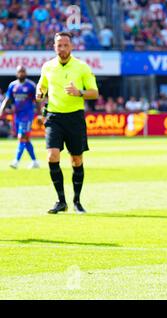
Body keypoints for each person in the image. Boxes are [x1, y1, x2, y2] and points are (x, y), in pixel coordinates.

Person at [36, 32, 99, 214]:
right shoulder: (48, 67)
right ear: (54, 47)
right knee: (52, 156)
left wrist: (79, 92)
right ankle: (60, 201)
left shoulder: (82, 67)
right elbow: (41, 87)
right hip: (54, 117)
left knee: (76, 159)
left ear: (71, 47)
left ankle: (77, 201)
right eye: (59, 45)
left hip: (74, 118)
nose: (62, 48)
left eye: (65, 45)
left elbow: (94, 92)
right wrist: (39, 94)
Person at [0, 65, 40, 169]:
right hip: (17, 116)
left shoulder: (31, 85)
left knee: (21, 138)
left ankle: (16, 161)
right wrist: (1, 110)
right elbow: (8, 99)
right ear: (16, 73)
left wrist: (40, 114)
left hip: (27, 116)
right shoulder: (13, 85)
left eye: (23, 71)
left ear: (26, 73)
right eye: (19, 72)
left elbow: (37, 100)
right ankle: (35, 161)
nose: (21, 73)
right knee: (26, 139)